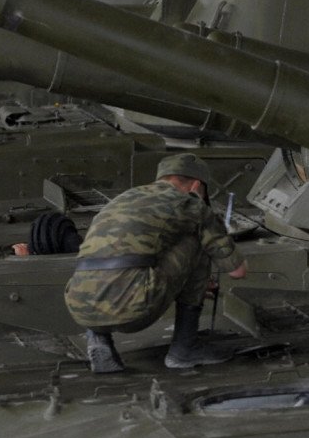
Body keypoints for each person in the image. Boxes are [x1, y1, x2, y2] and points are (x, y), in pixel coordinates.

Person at [64, 153, 247, 374]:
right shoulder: (191, 204)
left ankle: (99, 342)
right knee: (197, 240)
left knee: (106, 254)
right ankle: (184, 349)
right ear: (197, 185)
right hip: (134, 309)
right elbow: (237, 271)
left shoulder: (121, 200)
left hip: (80, 306)